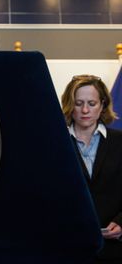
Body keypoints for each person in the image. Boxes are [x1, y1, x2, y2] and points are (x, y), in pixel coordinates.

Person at [61, 74, 122, 263]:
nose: (85, 110)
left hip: (115, 250)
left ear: (102, 104)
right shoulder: (55, 142)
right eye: (78, 103)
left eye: (92, 103)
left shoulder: (120, 142)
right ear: (70, 105)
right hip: (68, 248)